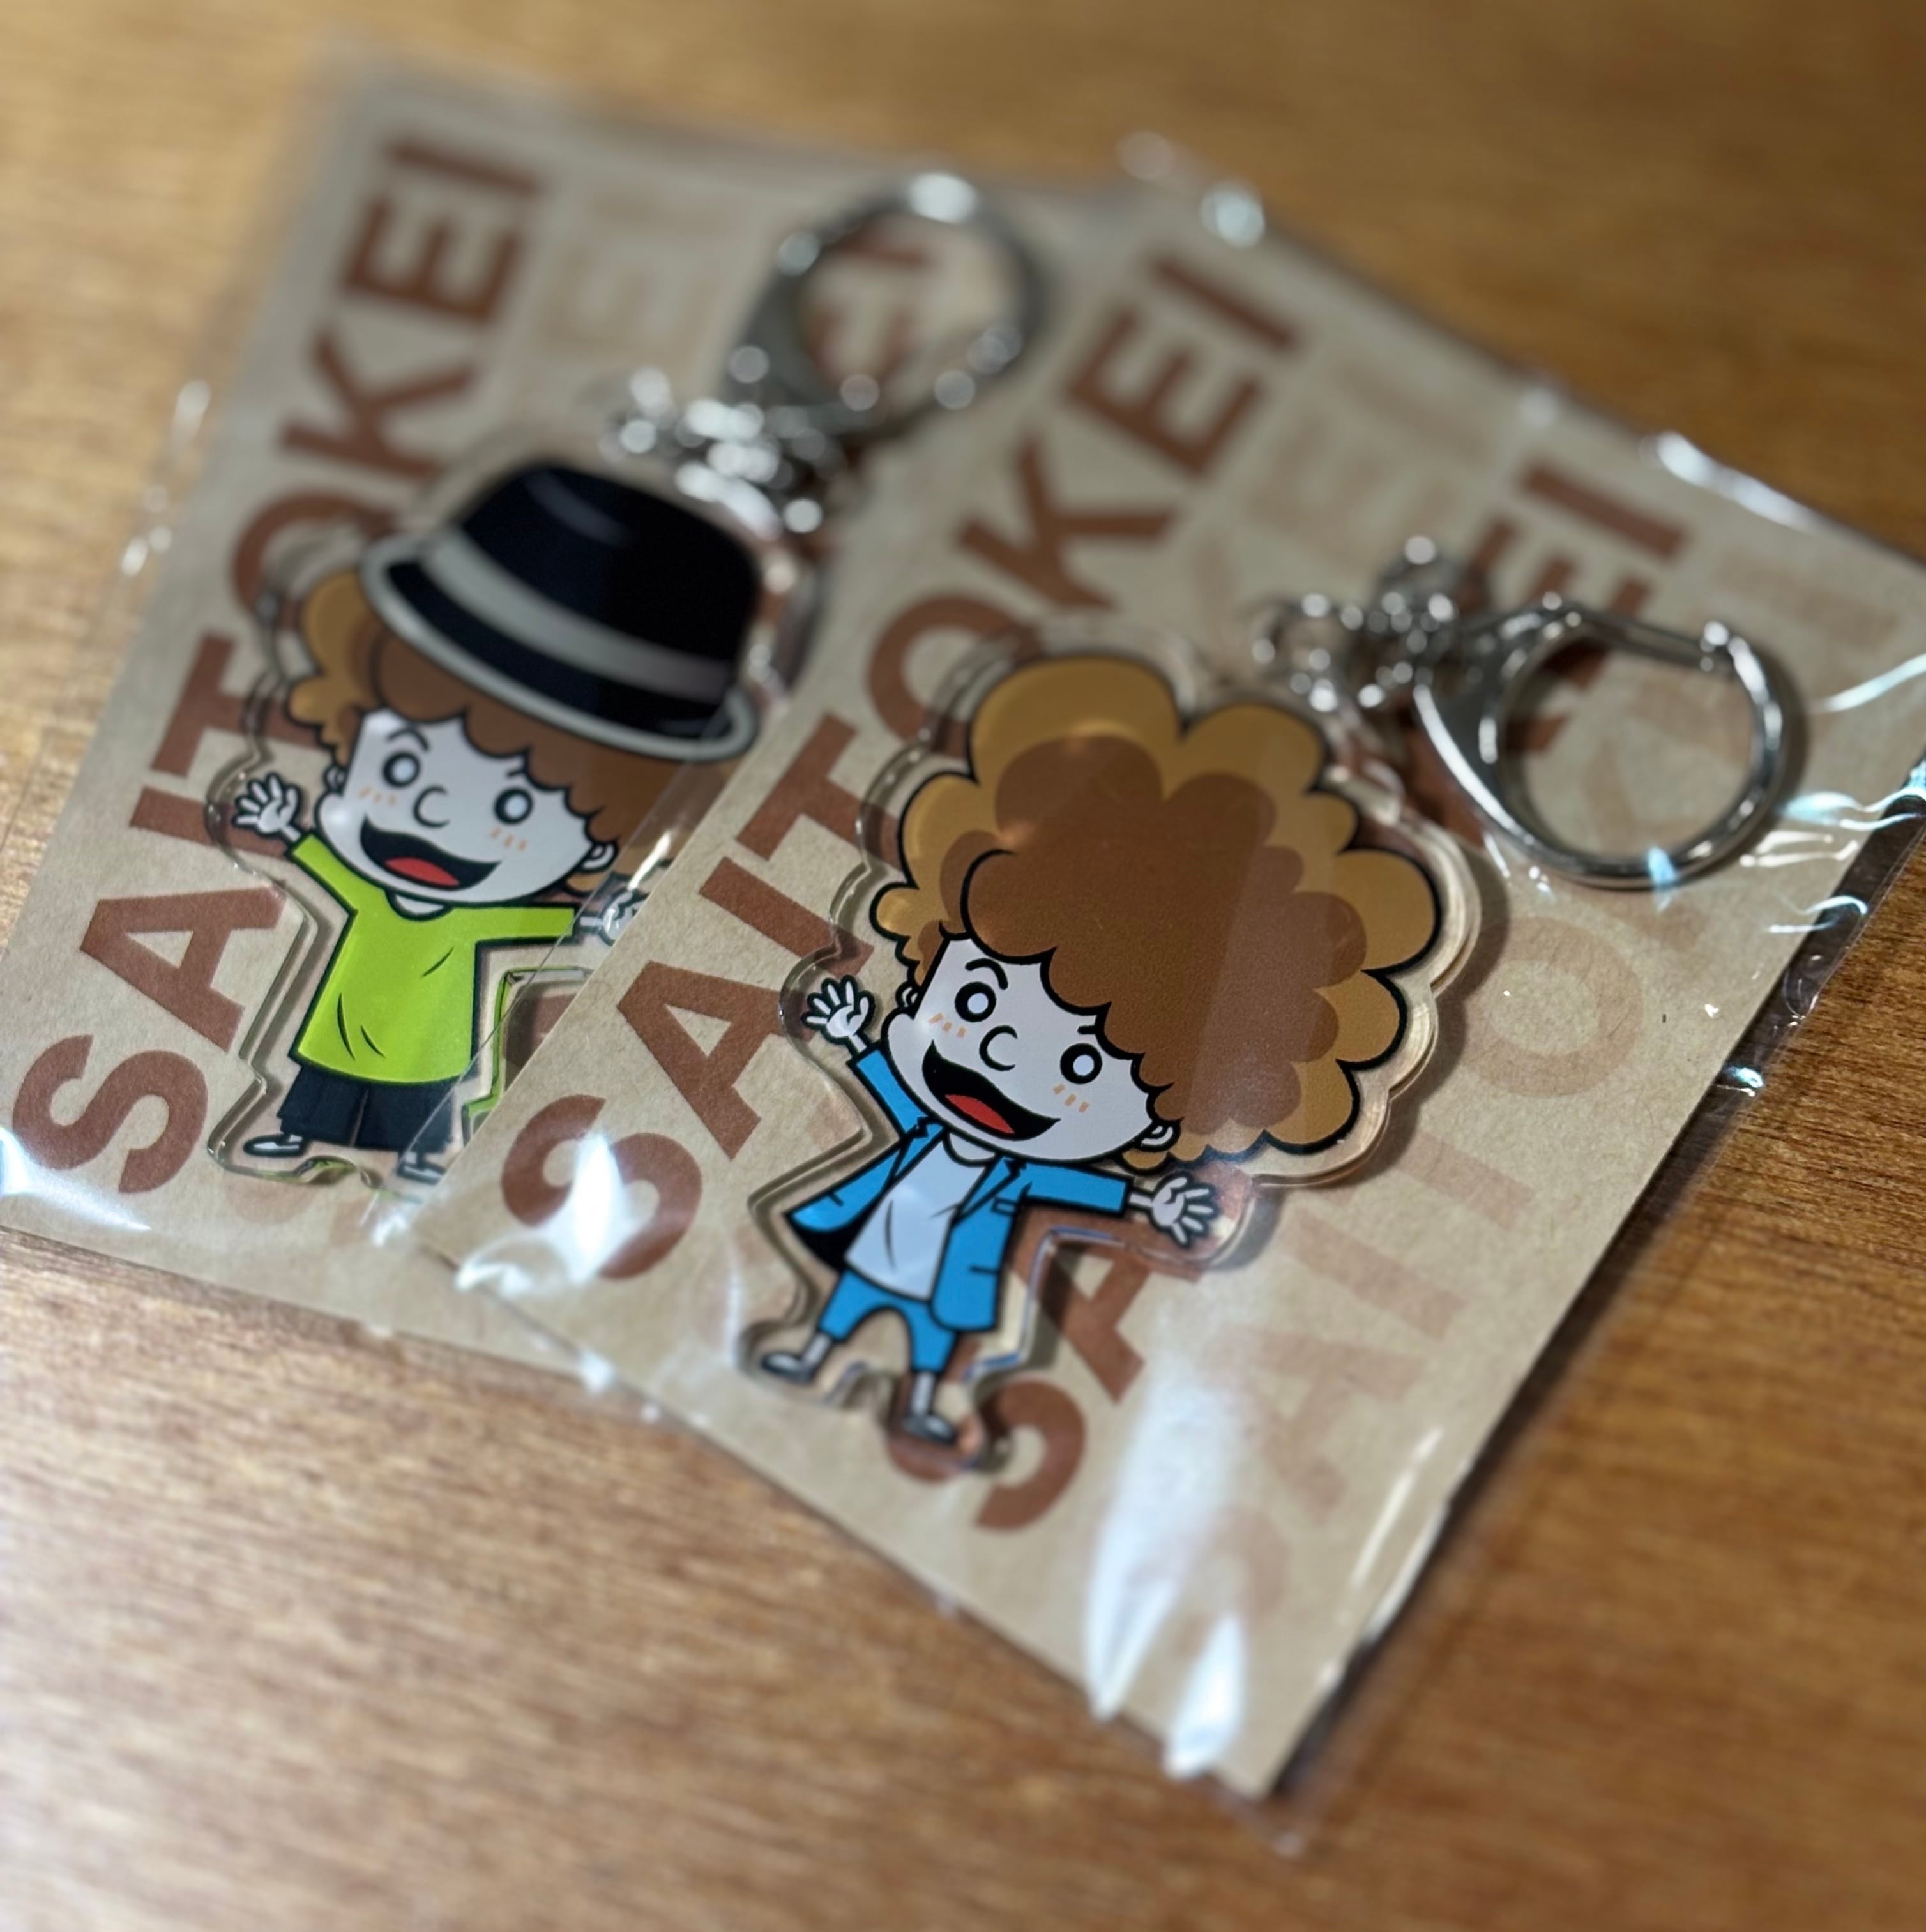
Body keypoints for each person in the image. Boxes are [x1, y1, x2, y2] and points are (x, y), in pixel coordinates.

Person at [761, 651, 1444, 1444]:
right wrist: (853, 1032)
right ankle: (815, 1350)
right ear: (928, 958)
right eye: (977, 997)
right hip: (888, 1221)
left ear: (1165, 1119)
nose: (1003, 1053)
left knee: (932, 1328)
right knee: (853, 1288)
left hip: (955, 1268)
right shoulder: (940, 1114)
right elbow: (888, 1080)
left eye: (1082, 1065)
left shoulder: (1034, 1171)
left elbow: (1083, 1189)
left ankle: (920, 1400)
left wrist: (1153, 1204)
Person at [232, 458, 760, 1181]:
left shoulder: (485, 920)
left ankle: (419, 1150)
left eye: (515, 804)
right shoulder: (385, 895)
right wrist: (285, 828)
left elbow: (561, 924)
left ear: (606, 836)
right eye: (404, 763)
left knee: (421, 1095)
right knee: (325, 1080)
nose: (434, 810)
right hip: (344, 1025)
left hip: (435, 1045)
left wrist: (610, 916)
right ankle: (303, 1132)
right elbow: (323, 862)